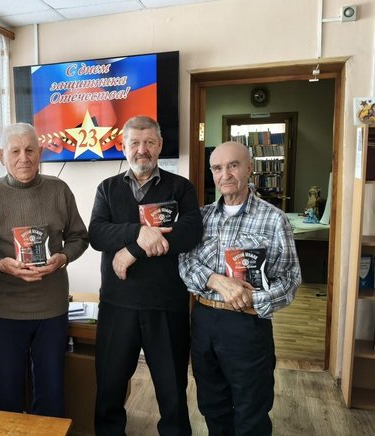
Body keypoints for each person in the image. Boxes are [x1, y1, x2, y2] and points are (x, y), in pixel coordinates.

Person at [89, 115, 203, 435]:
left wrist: (133, 250)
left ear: (160, 145)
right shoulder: (107, 189)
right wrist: (138, 233)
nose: (142, 150)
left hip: (167, 306)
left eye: (149, 142)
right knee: (109, 390)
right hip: (117, 305)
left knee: (172, 394)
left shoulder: (180, 188)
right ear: (123, 146)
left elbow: (190, 233)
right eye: (135, 143)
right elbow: (97, 234)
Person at [178, 141, 301, 435]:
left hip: (248, 323)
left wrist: (251, 298)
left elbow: (290, 280)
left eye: (233, 166)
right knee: (212, 405)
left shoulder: (274, 219)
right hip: (204, 320)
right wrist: (214, 280)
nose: (225, 175)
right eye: (217, 168)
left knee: (251, 410)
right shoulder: (201, 217)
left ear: (249, 168)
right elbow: (184, 263)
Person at [0, 123, 89, 417]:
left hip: (51, 309)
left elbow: (79, 237)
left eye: (30, 150)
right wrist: (1, 264)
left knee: (51, 393)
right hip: (3, 310)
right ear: (1, 155)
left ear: (41, 152)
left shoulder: (59, 190)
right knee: (4, 395)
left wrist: (62, 258)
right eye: (15, 151)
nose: (23, 158)